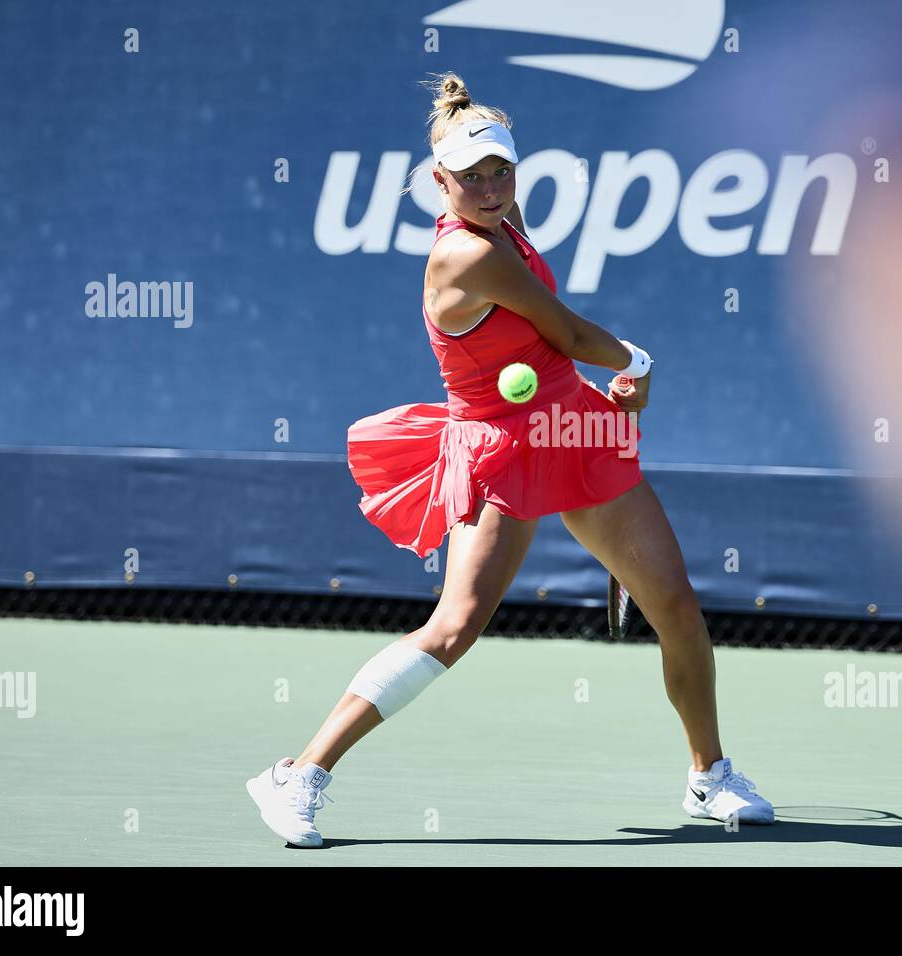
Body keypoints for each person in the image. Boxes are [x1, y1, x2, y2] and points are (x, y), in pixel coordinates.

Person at [246, 73, 773, 847]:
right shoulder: (464, 258)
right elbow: (565, 330)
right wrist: (637, 361)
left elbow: (555, 347)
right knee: (454, 628)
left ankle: (709, 775)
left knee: (678, 606)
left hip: (574, 430)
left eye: (501, 170)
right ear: (439, 184)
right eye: (470, 177)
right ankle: (301, 775)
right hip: (501, 447)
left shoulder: (504, 222)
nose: (490, 188)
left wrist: (605, 387)